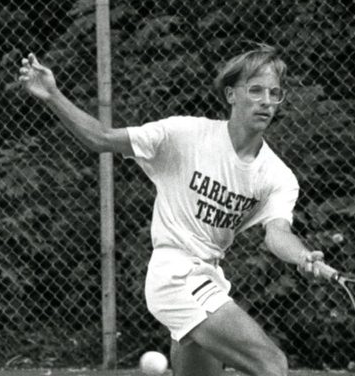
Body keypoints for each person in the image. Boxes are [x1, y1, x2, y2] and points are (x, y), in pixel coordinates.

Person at [18, 44, 330, 376]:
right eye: (255, 90)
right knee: (272, 364)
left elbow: (278, 233)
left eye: (274, 93)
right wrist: (52, 95)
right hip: (174, 275)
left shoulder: (277, 176)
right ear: (231, 95)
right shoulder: (183, 135)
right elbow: (102, 138)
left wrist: (303, 256)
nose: (266, 101)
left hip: (209, 277)